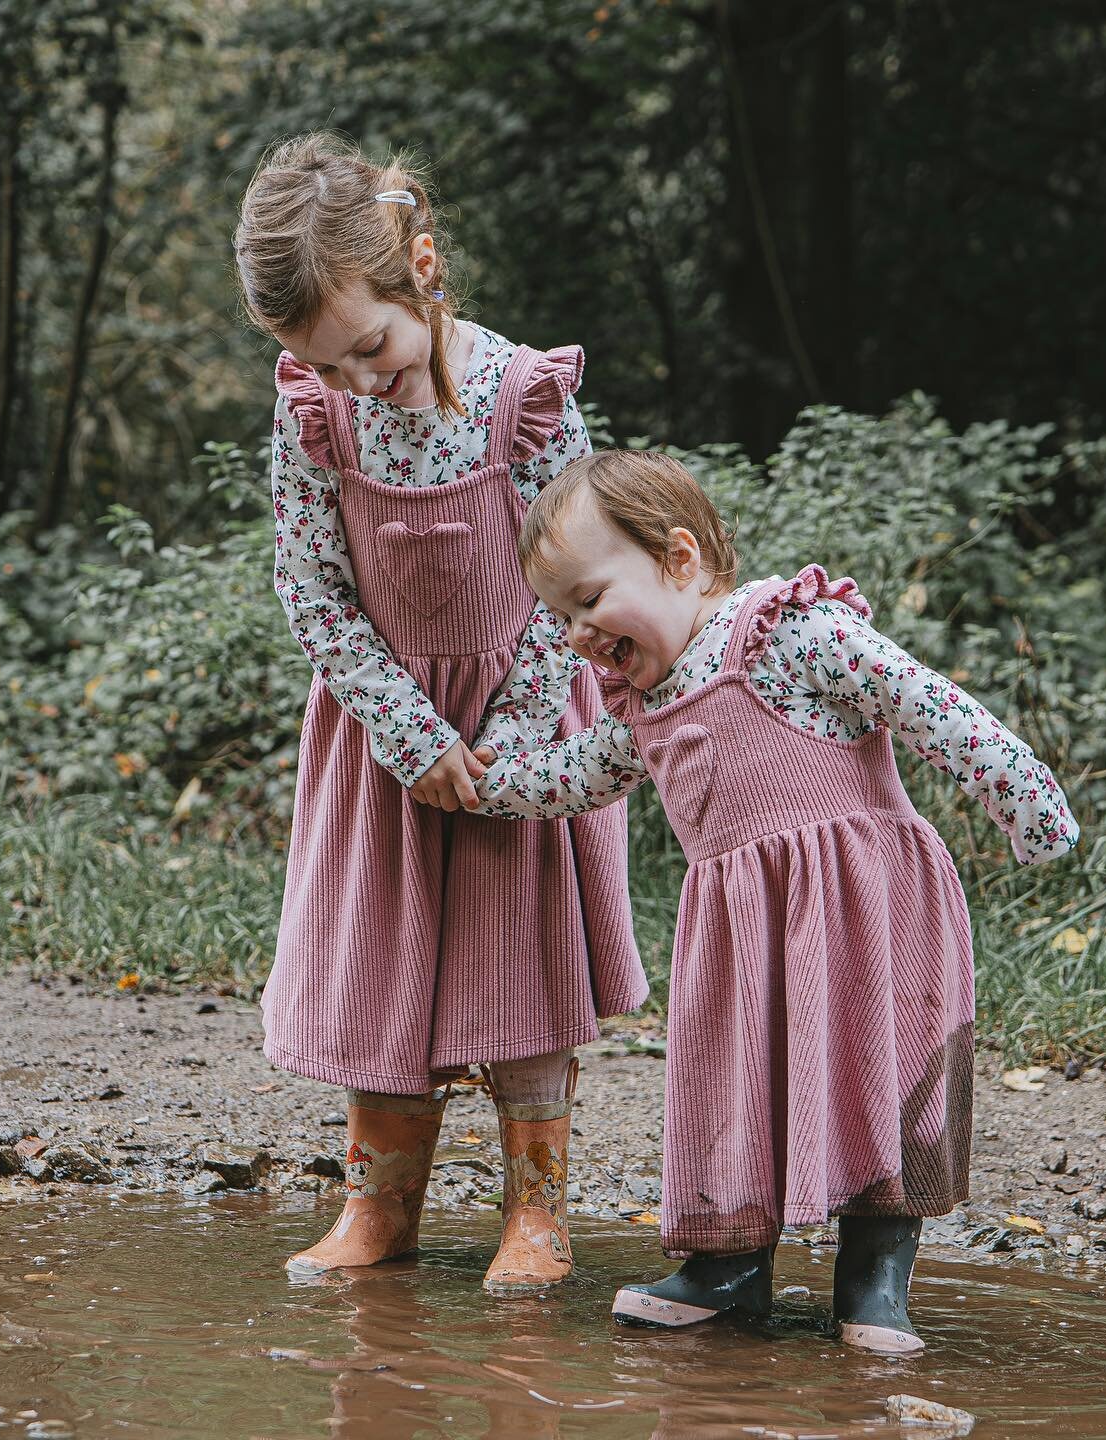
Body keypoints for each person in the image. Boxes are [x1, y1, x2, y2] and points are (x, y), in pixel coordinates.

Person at [468, 450, 1079, 1351]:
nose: (578, 634)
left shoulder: (790, 633)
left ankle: (873, 1284)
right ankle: (727, 1271)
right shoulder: (641, 700)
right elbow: (577, 777)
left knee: (881, 1083)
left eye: (591, 600)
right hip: (739, 936)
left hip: (870, 911)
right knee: (730, 1088)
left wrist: (1026, 800)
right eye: (561, 617)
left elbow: (926, 703)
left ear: (678, 559)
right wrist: (487, 785)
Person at [233, 134, 646, 1292]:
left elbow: (578, 575)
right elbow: (310, 584)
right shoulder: (315, 414)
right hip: (386, 736)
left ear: (423, 268)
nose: (360, 379)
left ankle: (537, 1214)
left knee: (520, 967)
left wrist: (514, 736)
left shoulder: (524, 399)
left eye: (370, 346)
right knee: (381, 964)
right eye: (327, 363)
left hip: (522, 722)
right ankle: (382, 1208)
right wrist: (404, 730)